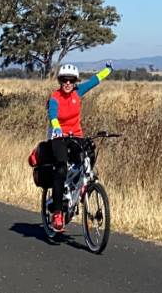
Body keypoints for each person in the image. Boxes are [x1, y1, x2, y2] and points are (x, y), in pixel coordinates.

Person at [36, 61, 112, 232]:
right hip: (58, 137)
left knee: (88, 155)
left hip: (76, 135)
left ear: (75, 81)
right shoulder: (55, 97)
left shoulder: (78, 92)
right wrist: (56, 126)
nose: (68, 83)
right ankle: (57, 212)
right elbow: (52, 113)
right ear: (60, 81)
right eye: (64, 80)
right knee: (61, 167)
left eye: (71, 80)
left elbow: (95, 80)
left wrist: (108, 70)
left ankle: (80, 186)